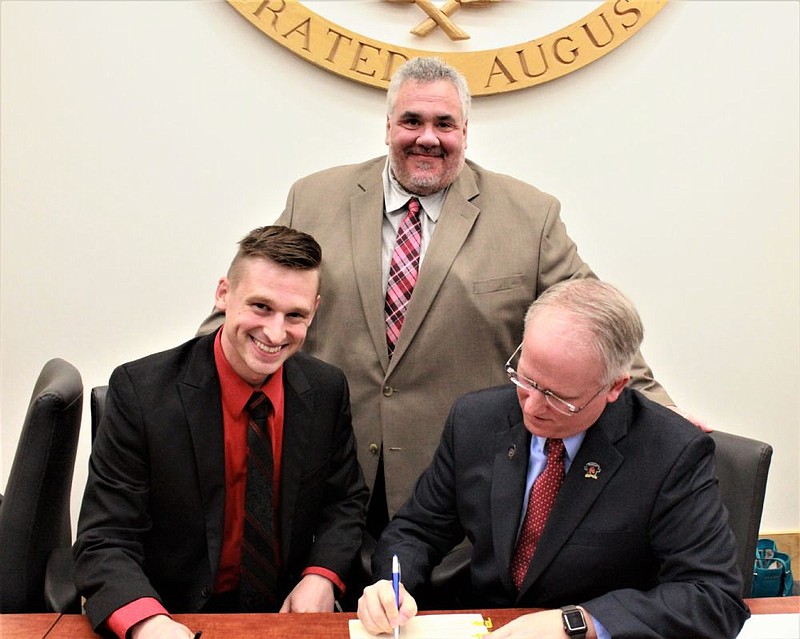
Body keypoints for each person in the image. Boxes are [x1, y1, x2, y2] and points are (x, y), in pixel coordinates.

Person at [199, 57, 700, 541]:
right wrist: (182, 391)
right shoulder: (313, 198)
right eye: (411, 121)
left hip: (461, 491)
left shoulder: (530, 216)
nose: (427, 137)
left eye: (445, 123)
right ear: (388, 125)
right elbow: (247, 305)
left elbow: (595, 323)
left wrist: (668, 418)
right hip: (326, 479)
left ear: (465, 131)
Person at [356, 279, 748, 639]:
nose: (533, 407)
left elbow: (713, 598)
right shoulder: (476, 419)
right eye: (526, 379)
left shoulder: (670, 452)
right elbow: (417, 530)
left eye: (559, 397)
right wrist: (393, 585)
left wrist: (576, 622)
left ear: (615, 387)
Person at [75, 226, 369, 639]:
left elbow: (345, 500)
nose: (275, 332)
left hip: (287, 617)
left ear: (314, 311)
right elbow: (104, 539)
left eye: (295, 315)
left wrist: (322, 576)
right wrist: (148, 623)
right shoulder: (140, 393)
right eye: (261, 307)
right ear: (223, 294)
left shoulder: (325, 389)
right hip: (172, 615)